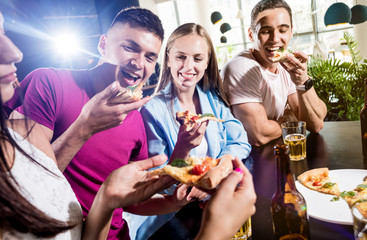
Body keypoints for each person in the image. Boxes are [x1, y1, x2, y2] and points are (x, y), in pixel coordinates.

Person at [0, 10, 256, 239]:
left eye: (149, 56)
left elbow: (131, 200)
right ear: (103, 45)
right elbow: (29, 186)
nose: (139, 63)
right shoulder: (50, 83)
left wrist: (173, 201)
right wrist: (84, 126)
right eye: (130, 48)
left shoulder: (135, 117)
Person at [133, 22, 252, 240]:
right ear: (168, 58)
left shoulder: (211, 98)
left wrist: (224, 164)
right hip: (168, 218)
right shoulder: (151, 111)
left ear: (207, 63)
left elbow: (241, 141)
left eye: (197, 58)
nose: (189, 67)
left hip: (211, 206)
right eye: (181, 57)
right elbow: (157, 180)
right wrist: (186, 154)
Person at [221, 0, 327, 147]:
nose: (275, 39)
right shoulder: (241, 67)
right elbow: (258, 135)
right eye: (265, 31)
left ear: (291, 32)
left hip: (276, 152)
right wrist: (290, 120)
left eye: (282, 30)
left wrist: (302, 81)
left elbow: (315, 124)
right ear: (252, 34)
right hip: (246, 160)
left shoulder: (285, 65)